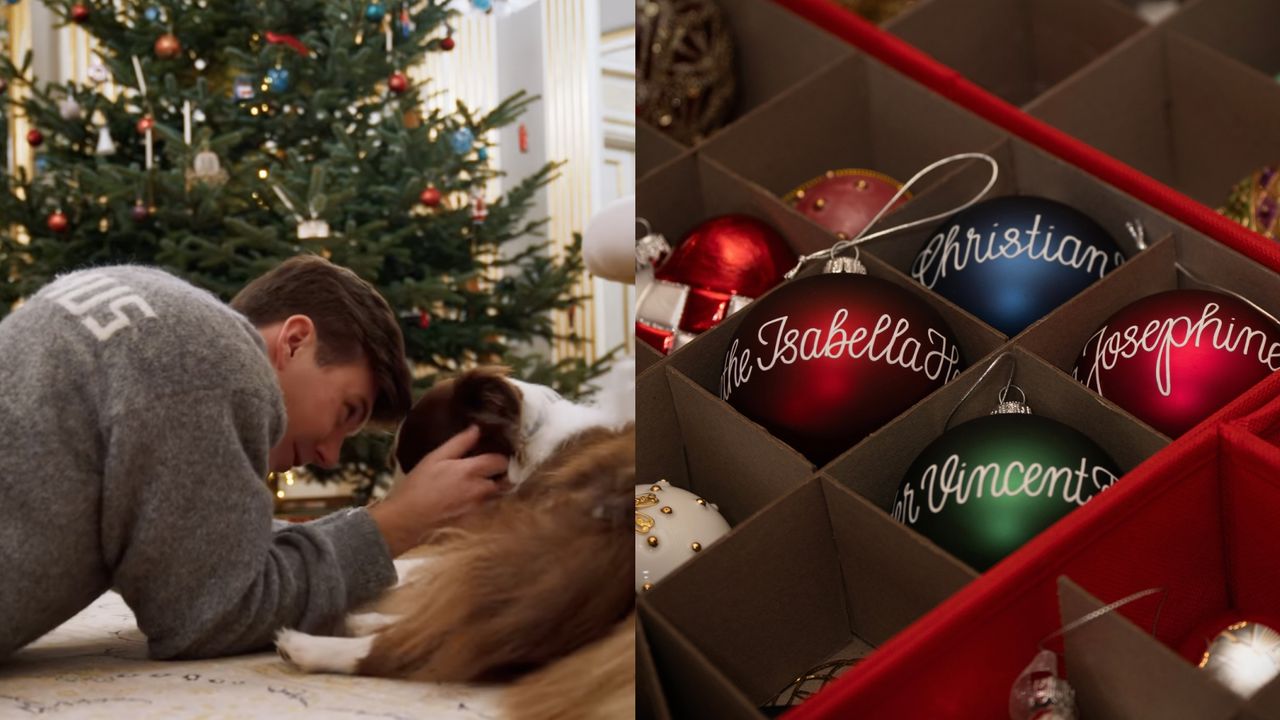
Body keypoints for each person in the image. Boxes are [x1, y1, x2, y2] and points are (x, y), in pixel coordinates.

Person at [0, 256, 507, 661]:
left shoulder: (150, 306)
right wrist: (398, 523)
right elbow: (206, 615)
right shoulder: (211, 361)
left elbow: (213, 553)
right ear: (295, 340)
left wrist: (379, 522)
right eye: (346, 411)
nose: (329, 454)